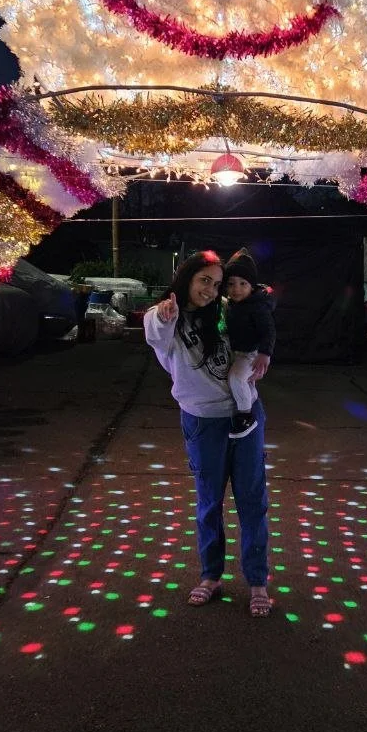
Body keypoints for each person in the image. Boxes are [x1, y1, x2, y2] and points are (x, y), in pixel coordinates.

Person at [144, 251, 272, 616]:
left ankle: (257, 580)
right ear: (187, 278)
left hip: (245, 418)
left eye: (217, 285)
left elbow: (258, 316)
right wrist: (163, 313)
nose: (212, 290)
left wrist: (265, 351)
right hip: (203, 423)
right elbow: (156, 329)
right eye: (205, 281)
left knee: (252, 501)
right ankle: (211, 575)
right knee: (209, 503)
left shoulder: (223, 312)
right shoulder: (166, 318)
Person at [223, 248, 275, 440]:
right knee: (246, 382)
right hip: (238, 352)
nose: (236, 289)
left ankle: (245, 416)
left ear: (251, 286)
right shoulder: (233, 304)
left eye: (243, 284)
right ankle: (252, 406)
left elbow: (269, 331)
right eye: (231, 284)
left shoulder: (257, 307)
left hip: (250, 354)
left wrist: (265, 353)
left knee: (236, 379)